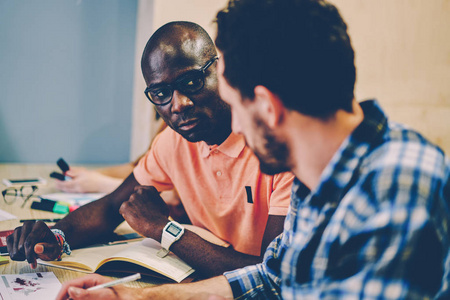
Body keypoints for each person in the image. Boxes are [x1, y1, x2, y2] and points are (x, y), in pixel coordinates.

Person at [55, 0, 450, 299]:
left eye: (235, 106)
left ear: (266, 107)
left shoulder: (400, 183)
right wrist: (141, 296)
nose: (237, 128)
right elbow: (272, 278)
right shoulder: (318, 178)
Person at [7, 21, 294, 279]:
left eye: (191, 82)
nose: (178, 104)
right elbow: (111, 206)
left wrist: (164, 229)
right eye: (160, 93)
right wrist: (55, 236)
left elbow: (268, 274)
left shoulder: (276, 148)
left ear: (220, 70)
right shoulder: (173, 142)